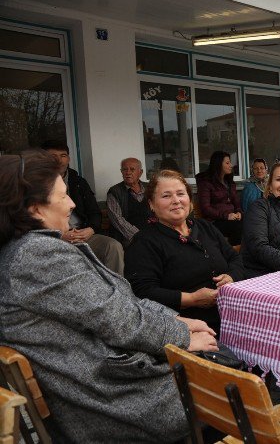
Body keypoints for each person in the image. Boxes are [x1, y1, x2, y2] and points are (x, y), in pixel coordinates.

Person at [0, 151, 218, 443]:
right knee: (228, 392)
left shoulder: (23, 251)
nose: (72, 203)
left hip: (102, 387)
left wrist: (178, 319)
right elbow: (121, 322)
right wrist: (183, 336)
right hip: (113, 402)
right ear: (35, 209)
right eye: (63, 197)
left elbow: (117, 304)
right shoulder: (39, 256)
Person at [125, 169, 245, 332]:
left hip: (232, 317)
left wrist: (231, 276)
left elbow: (235, 259)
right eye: (166, 196)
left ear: (190, 199)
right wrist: (191, 299)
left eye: (181, 194)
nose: (176, 201)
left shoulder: (205, 227)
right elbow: (143, 292)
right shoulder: (144, 242)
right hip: (187, 328)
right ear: (151, 204)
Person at [41, 139, 124, 274]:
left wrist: (90, 230)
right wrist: (59, 236)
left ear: (68, 159)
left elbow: (94, 212)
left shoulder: (79, 182)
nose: (59, 160)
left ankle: (116, 290)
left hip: (82, 234)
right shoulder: (35, 184)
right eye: (53, 156)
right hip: (53, 239)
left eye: (63, 156)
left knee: (113, 246)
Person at [196, 151, 243, 246]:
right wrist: (226, 216)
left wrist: (239, 212)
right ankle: (233, 254)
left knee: (252, 222)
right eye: (227, 163)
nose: (231, 165)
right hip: (214, 221)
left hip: (231, 219)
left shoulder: (229, 182)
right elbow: (205, 208)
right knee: (239, 227)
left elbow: (236, 203)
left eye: (230, 162)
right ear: (218, 164)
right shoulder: (206, 183)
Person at [106, 157, 151, 247]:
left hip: (151, 233)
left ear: (140, 172)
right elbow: (117, 220)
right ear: (121, 172)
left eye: (132, 169)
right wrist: (138, 235)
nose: (128, 172)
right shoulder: (115, 192)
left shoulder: (150, 188)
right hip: (128, 237)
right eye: (125, 169)